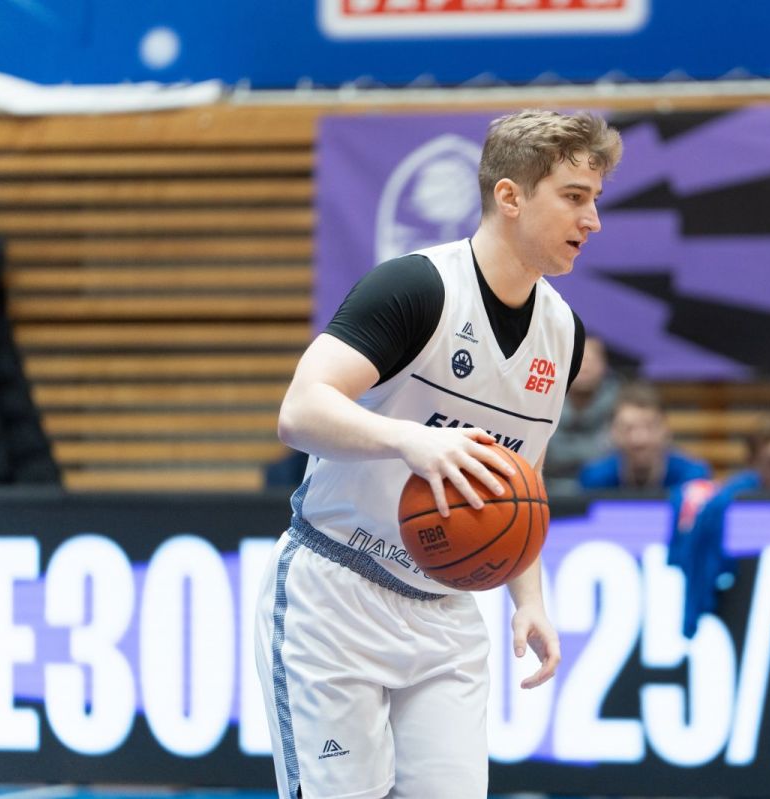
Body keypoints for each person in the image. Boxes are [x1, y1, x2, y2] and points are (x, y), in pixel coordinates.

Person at [253, 109, 623, 799]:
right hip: (338, 591)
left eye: (595, 199)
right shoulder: (415, 288)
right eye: (575, 196)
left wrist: (529, 597)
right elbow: (299, 411)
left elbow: (521, 478)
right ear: (510, 196)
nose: (593, 219)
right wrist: (410, 439)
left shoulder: (563, 333)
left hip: (447, 609)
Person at [578, 380, 711, 490]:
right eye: (628, 428)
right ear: (613, 432)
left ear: (666, 430)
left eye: (649, 427)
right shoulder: (594, 479)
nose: (639, 439)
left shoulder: (692, 479)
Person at [542, 334, 623, 494]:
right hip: (544, 487)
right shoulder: (542, 398)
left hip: (605, 490)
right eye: (580, 359)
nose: (585, 367)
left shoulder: (621, 402)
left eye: (592, 361)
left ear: (604, 366)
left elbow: (617, 457)